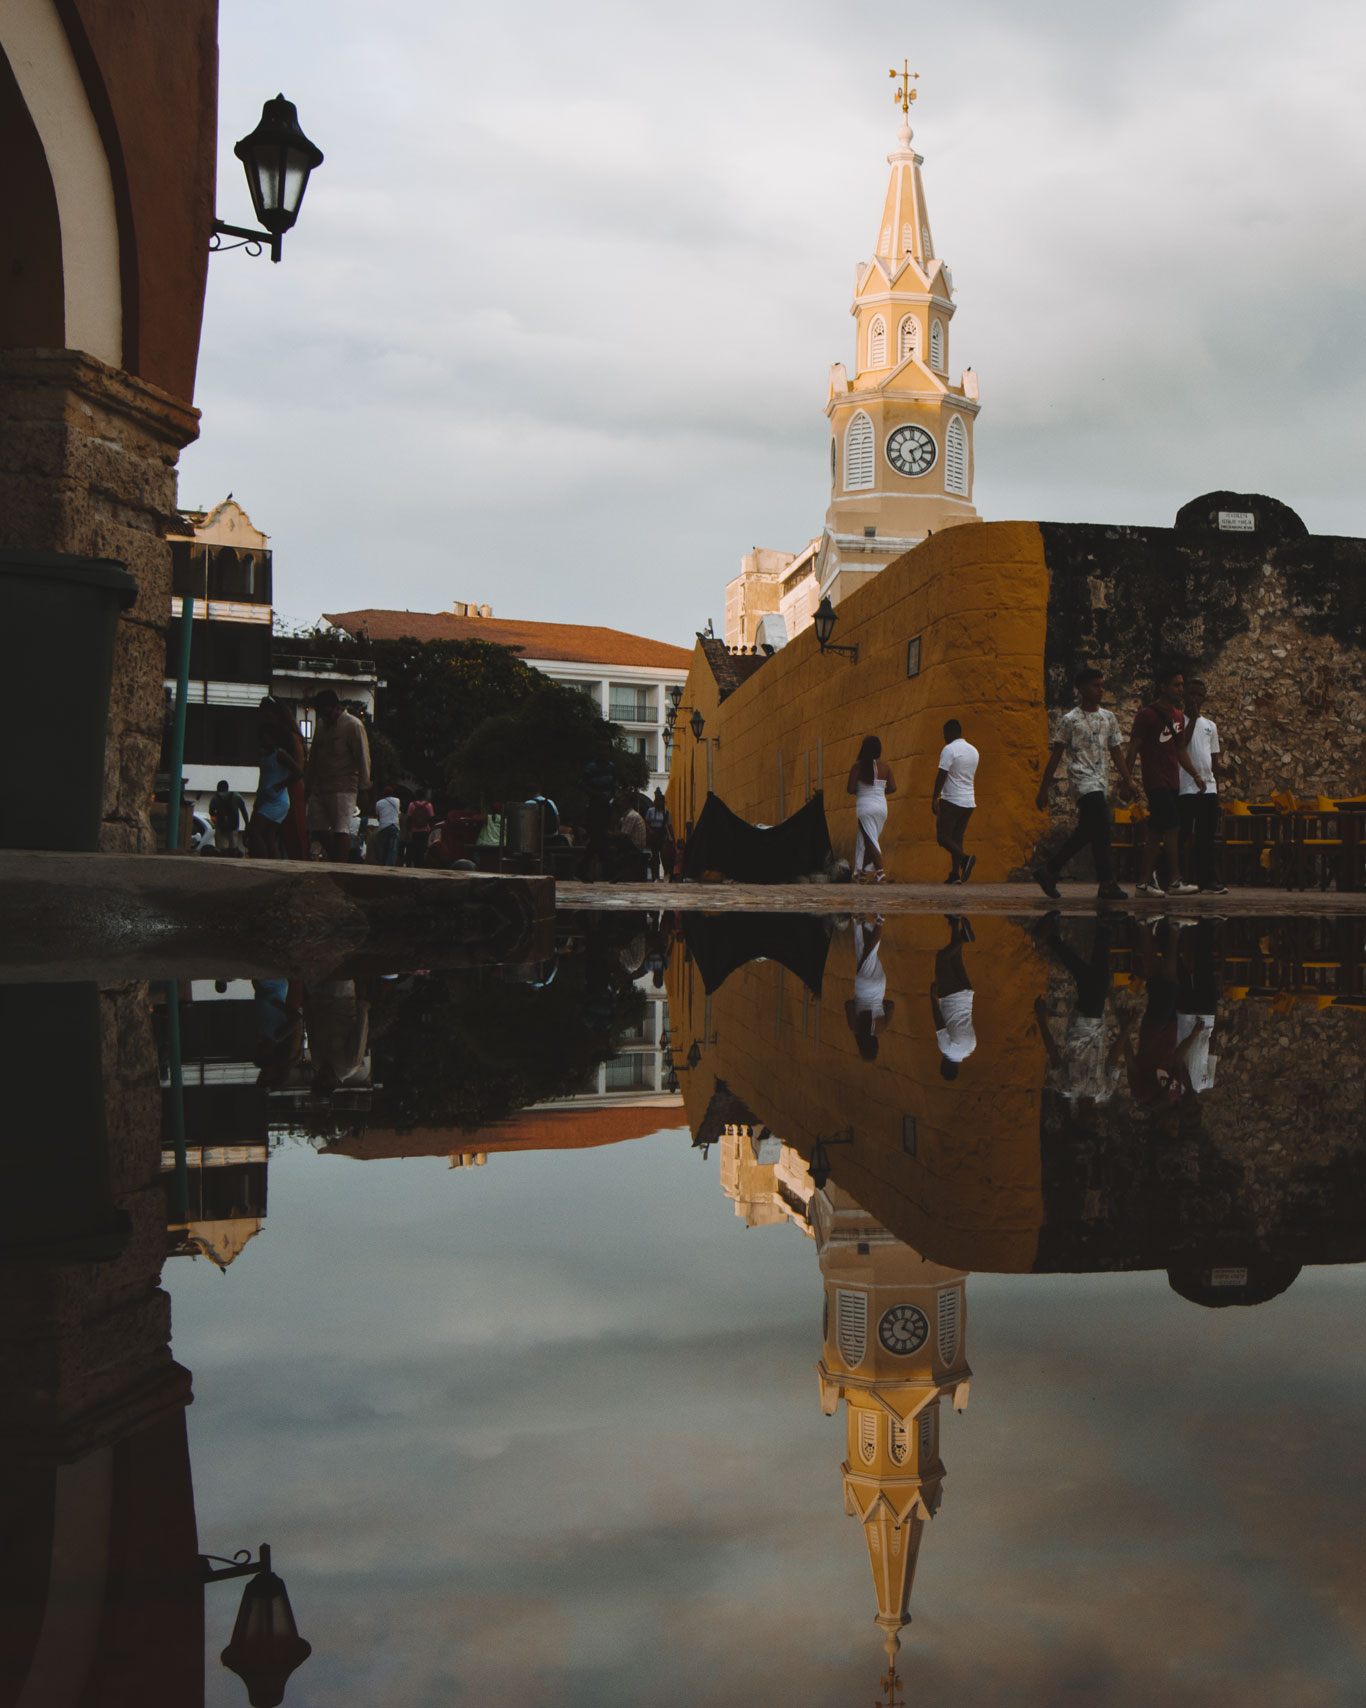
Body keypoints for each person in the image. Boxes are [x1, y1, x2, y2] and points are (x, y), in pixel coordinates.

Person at [1034, 668, 1136, 901]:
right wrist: (1043, 790)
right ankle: (1106, 882)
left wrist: (1128, 779)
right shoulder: (1070, 720)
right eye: (1095, 685)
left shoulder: (1108, 718)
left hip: (1100, 781)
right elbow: (1055, 757)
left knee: (1093, 830)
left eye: (1101, 685)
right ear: (1080, 688)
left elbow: (1117, 752)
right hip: (1082, 781)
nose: (1100, 690)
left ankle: (1051, 871)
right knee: (1099, 827)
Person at [1124, 667, 1204, 897]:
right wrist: (1127, 780)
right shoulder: (1147, 715)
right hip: (1155, 781)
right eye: (1176, 685)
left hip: (1173, 781)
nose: (1181, 689)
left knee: (1156, 834)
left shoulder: (1178, 716)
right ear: (1163, 687)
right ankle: (1175, 880)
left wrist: (1195, 775)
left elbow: (1180, 750)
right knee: (1174, 826)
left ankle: (1142, 884)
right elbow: (1134, 748)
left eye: (1181, 685)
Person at [304, 689, 371, 863]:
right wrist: (308, 783)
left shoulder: (353, 725)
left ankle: (340, 866)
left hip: (344, 786)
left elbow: (363, 758)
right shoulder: (320, 725)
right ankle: (338, 859)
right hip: (321, 785)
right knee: (316, 827)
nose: (326, 718)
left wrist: (364, 788)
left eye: (327, 713)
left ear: (337, 707)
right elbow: (314, 757)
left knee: (341, 830)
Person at [1179, 679, 1227, 894]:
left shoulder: (1210, 726)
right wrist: (1192, 719)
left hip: (1208, 788)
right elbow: (1181, 745)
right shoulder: (1178, 721)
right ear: (1184, 696)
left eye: (1200, 695)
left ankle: (1207, 880)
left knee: (1206, 837)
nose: (1196, 699)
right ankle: (1174, 878)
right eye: (1192, 694)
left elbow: (1214, 759)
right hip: (1185, 787)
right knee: (1181, 835)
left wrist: (1217, 785)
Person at [260, 696, 308, 859]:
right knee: (274, 834)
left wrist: (280, 785)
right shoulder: (287, 735)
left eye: (268, 716)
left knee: (292, 833)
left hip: (289, 787)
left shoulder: (288, 737)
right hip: (283, 787)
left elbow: (297, 768)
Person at [932, 720, 979, 884]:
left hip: (952, 800)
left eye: (945, 733)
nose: (944, 737)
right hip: (969, 802)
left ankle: (965, 859)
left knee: (943, 837)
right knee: (957, 838)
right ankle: (954, 874)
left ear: (951, 732)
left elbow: (941, 775)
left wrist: (934, 797)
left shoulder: (949, 749)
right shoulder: (974, 751)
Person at [847, 735, 897, 882]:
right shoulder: (885, 767)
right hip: (882, 807)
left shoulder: (858, 766)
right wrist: (879, 792)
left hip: (865, 806)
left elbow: (850, 788)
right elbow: (893, 787)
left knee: (870, 841)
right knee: (870, 839)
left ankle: (880, 872)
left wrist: (861, 791)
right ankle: (862, 873)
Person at [844, 914, 895, 1059]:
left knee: (865, 952)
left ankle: (862, 921)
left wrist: (879, 1003)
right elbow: (848, 1004)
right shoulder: (854, 1027)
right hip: (862, 987)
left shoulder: (881, 1027)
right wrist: (858, 1004)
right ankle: (879, 921)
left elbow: (891, 1005)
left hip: (879, 986)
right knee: (868, 952)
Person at [247, 724, 301, 860]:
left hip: (276, 800)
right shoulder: (266, 756)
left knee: (255, 831)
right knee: (268, 835)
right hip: (267, 799)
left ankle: (263, 861)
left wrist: (280, 786)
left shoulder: (280, 754)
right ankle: (273, 862)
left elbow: (298, 772)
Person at [932, 915, 976, 1077]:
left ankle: (955, 922)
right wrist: (932, 998)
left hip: (967, 995)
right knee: (942, 958)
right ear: (944, 1065)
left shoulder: (971, 1048)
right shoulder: (946, 1049)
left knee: (956, 957)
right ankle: (964, 937)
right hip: (950, 997)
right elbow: (938, 1022)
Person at [579, 741, 618, 881]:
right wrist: (597, 795)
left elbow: (614, 785)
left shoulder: (611, 767)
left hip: (606, 807)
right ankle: (610, 872)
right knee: (600, 839)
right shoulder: (591, 767)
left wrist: (612, 798)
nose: (605, 753)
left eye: (607, 749)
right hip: (595, 806)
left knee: (598, 840)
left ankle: (583, 870)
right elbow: (583, 785)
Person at [209, 779, 248, 856]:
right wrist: (247, 823)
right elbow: (244, 811)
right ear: (227, 788)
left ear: (218, 788)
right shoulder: (236, 796)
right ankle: (233, 854)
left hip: (221, 824)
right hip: (234, 823)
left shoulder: (215, 797)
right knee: (233, 844)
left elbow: (211, 811)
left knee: (222, 846)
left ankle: (223, 855)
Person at [644, 788, 674, 881]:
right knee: (655, 855)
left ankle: (666, 873)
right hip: (653, 833)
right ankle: (656, 876)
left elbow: (669, 825)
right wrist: (649, 831)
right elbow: (646, 822)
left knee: (665, 855)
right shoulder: (650, 811)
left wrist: (673, 837)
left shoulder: (666, 813)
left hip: (662, 833)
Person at [406, 786, 435, 867]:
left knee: (414, 848)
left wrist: (408, 831)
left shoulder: (412, 805)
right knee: (423, 848)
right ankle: (421, 864)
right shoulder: (428, 805)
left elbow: (409, 818)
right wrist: (431, 830)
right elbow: (431, 818)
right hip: (425, 830)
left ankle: (416, 864)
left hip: (415, 831)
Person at [373, 785, 401, 866]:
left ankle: (382, 864)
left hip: (383, 827)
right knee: (392, 848)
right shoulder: (397, 801)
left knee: (383, 848)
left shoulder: (378, 803)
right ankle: (389, 866)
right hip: (394, 825)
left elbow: (378, 817)